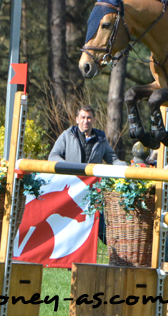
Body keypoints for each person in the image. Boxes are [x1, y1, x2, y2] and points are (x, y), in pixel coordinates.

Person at [48, 105, 126, 246]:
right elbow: (53, 156)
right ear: (77, 119)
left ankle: (118, 253)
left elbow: (113, 160)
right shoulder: (67, 135)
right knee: (70, 227)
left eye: (89, 117)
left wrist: (127, 169)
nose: (86, 121)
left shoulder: (100, 139)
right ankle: (68, 263)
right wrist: (69, 168)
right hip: (71, 192)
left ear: (94, 120)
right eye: (83, 117)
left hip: (92, 193)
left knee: (100, 225)